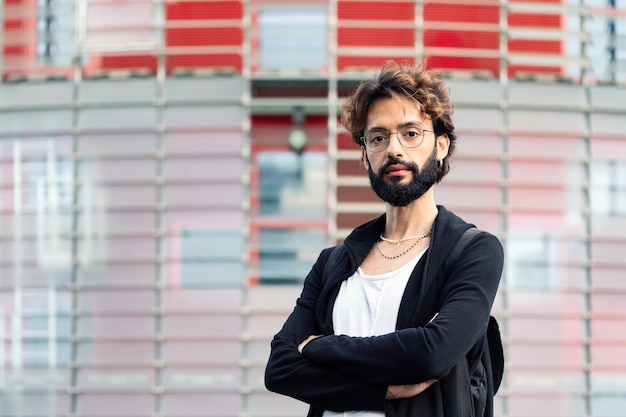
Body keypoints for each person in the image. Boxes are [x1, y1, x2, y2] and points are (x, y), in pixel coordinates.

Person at [264, 61, 504, 417]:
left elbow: (432, 353)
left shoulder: (471, 252)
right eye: (379, 137)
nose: (394, 149)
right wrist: (380, 392)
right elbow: (280, 367)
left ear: (440, 145)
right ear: (365, 155)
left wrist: (320, 348)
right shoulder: (333, 262)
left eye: (410, 133)